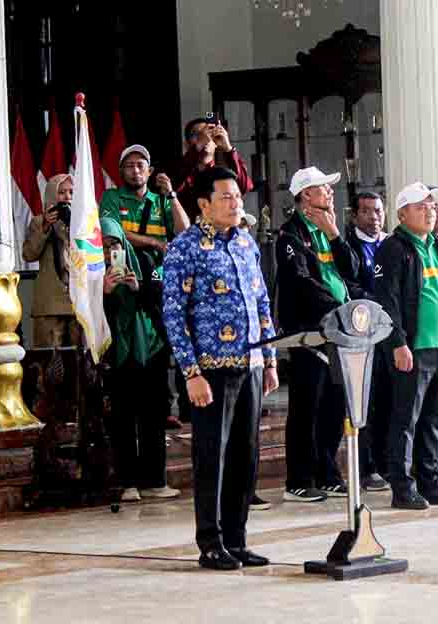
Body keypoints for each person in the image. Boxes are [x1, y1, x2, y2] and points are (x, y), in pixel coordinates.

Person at [162, 167, 278, 571]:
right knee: (212, 456)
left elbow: (262, 302)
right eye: (226, 198)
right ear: (204, 204)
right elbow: (174, 315)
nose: (235, 204)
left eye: (237, 197)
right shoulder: (185, 248)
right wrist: (191, 373)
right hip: (209, 370)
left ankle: (237, 538)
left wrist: (270, 358)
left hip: (250, 363)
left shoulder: (246, 243)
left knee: (246, 456)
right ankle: (210, 542)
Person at [277, 167, 374, 501]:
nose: (330, 195)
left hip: (340, 331)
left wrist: (333, 233)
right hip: (310, 331)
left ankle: (327, 471)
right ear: (306, 196)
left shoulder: (329, 229)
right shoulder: (290, 235)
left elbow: (353, 269)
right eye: (324, 190)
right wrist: (337, 309)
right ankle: (298, 479)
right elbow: (301, 281)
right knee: (307, 403)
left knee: (335, 402)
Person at [374, 182, 438, 510]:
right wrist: (397, 343)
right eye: (420, 206)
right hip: (413, 347)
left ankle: (431, 480)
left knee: (432, 417)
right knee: (406, 419)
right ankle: (402, 485)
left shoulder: (437, 246)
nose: (429, 211)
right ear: (402, 214)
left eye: (431, 205)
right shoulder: (394, 248)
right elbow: (387, 300)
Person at [101, 216, 179, 503]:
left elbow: (160, 302)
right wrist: (106, 293)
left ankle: (154, 480)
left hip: (151, 350)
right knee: (122, 420)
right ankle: (127, 483)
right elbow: (94, 318)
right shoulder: (95, 274)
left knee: (153, 416)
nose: (111, 252)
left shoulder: (144, 265)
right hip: (118, 355)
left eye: (115, 245)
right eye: (105, 246)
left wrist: (139, 289)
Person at [344, 191, 391, 488]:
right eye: (367, 212)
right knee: (367, 402)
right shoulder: (350, 246)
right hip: (363, 332)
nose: (374, 217)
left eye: (378, 211)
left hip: (390, 330)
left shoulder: (390, 243)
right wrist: (374, 303)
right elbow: (351, 284)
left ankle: (389, 462)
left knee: (390, 399)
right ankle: (367, 465)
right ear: (355, 216)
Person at [100, 144, 190, 272]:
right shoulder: (111, 196)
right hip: (123, 267)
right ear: (121, 172)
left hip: (157, 271)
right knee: (113, 239)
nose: (136, 171)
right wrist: (155, 242)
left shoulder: (161, 201)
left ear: (150, 171)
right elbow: (114, 234)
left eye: (140, 165)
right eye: (130, 166)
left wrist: (171, 194)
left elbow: (184, 232)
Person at [22, 174, 78, 347]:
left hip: (79, 302)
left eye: (71, 192)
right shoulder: (39, 222)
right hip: (49, 304)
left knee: (79, 362)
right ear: (51, 195)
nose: (67, 197)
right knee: (49, 363)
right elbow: (29, 254)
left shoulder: (83, 223)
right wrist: (46, 226)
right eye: (61, 192)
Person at [174, 117, 254, 222]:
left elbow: (244, 187)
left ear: (215, 143)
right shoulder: (180, 170)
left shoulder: (221, 174)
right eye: (196, 134)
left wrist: (228, 149)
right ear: (187, 144)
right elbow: (174, 185)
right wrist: (197, 148)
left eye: (209, 133)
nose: (205, 137)